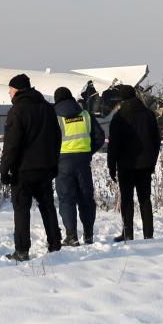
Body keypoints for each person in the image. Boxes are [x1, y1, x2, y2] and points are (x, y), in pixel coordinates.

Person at [0, 74, 63, 261]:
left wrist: (5, 170)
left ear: (17, 90)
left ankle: (21, 250)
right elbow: (57, 138)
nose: (9, 93)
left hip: (23, 171)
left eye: (10, 89)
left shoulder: (17, 111)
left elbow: (11, 145)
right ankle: (55, 244)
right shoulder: (47, 108)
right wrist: (54, 164)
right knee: (48, 207)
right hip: (45, 168)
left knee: (21, 210)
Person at [106, 84, 162, 242]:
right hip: (145, 165)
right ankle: (148, 235)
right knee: (145, 199)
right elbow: (156, 141)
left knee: (127, 200)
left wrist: (111, 165)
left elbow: (113, 145)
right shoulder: (149, 114)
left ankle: (127, 234)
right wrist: (153, 161)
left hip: (125, 166)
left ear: (122, 98)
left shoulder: (119, 117)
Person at [53, 86, 106, 246]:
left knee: (66, 199)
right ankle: (88, 235)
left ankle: (71, 236)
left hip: (63, 164)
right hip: (83, 162)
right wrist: (87, 152)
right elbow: (100, 137)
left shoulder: (55, 117)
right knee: (86, 198)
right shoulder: (86, 115)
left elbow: (49, 141)